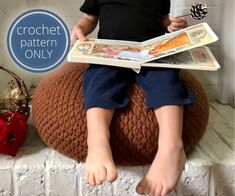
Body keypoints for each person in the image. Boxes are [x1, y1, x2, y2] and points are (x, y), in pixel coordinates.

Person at [71, 1, 194, 195]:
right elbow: (89, 18)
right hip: (111, 53)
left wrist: (171, 25)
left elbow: (162, 19)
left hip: (152, 53)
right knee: (97, 80)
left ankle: (171, 147)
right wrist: (79, 28)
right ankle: (97, 142)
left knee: (167, 80)